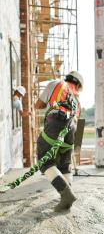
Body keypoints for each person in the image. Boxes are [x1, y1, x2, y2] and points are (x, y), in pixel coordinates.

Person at [35, 71, 84, 212]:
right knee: (64, 163)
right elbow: (78, 121)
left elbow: (39, 105)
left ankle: (66, 195)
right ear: (78, 84)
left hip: (57, 121)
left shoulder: (57, 84)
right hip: (72, 128)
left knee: (45, 160)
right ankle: (67, 196)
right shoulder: (77, 99)